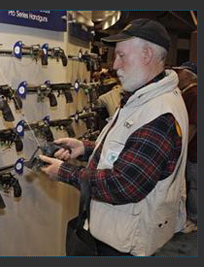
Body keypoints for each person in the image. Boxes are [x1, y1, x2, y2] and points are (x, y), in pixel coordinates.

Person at [40, 18, 189, 256]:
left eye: (121, 55)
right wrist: (85, 148)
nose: (114, 64)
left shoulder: (159, 114)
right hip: (116, 230)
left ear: (146, 54)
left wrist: (64, 172)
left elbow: (124, 185)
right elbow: (128, 150)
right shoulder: (144, 96)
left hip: (125, 244)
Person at [172, 61, 197, 233]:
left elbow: (193, 125)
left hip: (195, 150)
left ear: (188, 75)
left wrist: (182, 147)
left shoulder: (194, 94)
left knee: (195, 186)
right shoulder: (187, 93)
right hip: (192, 149)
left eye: (180, 73)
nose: (177, 76)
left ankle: (194, 219)